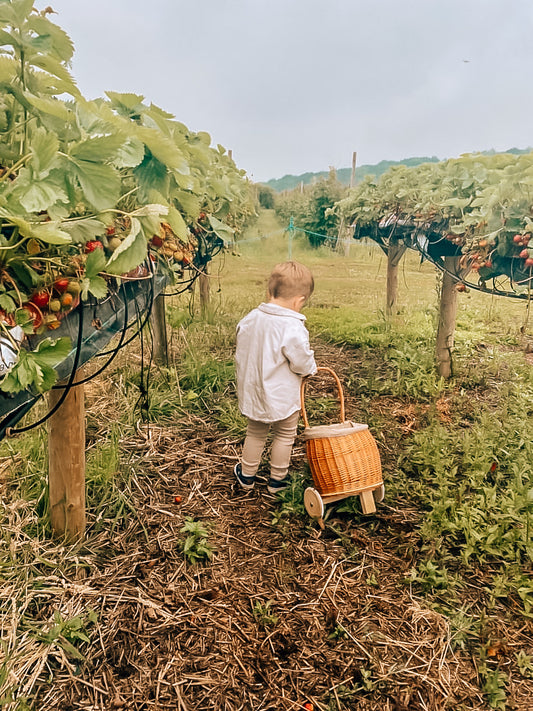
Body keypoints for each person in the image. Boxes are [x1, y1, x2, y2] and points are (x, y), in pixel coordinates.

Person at [234, 261, 317, 494]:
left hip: (255, 390)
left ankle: (247, 475)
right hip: (283, 395)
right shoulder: (292, 327)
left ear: (270, 292)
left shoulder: (250, 319)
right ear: (298, 301)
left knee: (255, 432)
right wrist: (311, 369)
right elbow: (300, 360)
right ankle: (277, 479)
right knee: (285, 434)